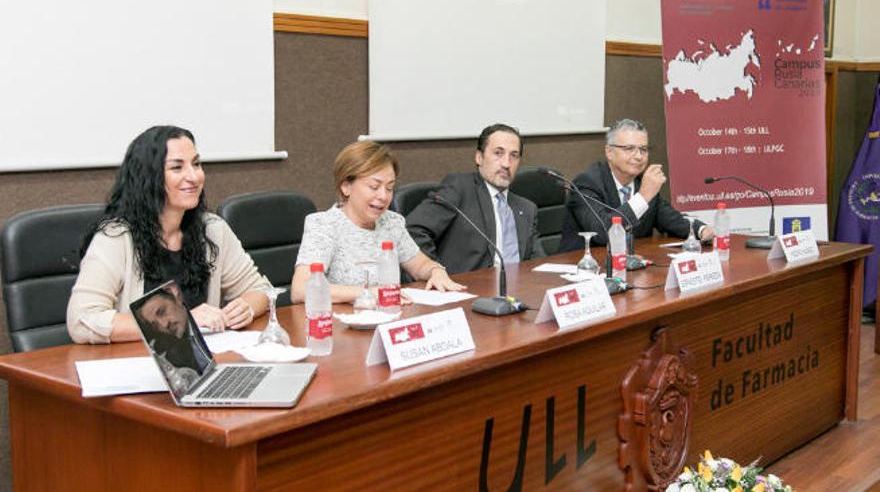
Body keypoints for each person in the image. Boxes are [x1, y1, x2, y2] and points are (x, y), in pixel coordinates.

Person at [67, 125, 270, 344]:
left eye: (196, 164)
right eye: (177, 167)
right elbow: (82, 320)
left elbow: (259, 290)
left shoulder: (212, 229)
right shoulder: (116, 237)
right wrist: (183, 321)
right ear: (149, 177)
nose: (193, 176)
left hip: (203, 363)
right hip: (135, 363)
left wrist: (247, 307)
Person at [290, 140, 465, 303]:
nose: (383, 196)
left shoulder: (391, 222)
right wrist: (370, 293)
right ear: (346, 186)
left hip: (389, 318)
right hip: (342, 326)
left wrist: (436, 271)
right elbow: (301, 289)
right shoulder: (324, 225)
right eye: (374, 187)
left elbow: (419, 265)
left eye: (389, 188)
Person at [405, 123, 546, 274]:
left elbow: (538, 262)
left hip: (517, 291)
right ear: (479, 157)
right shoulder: (459, 189)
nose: (506, 164)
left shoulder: (526, 208)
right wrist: (434, 272)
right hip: (467, 290)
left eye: (514, 156)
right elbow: (413, 230)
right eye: (498, 153)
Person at [558, 119, 714, 252]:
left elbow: (671, 219)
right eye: (629, 149)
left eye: (643, 149)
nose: (639, 156)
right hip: (584, 271)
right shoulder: (586, 183)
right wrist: (643, 196)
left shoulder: (641, 182)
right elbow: (602, 233)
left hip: (632, 266)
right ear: (609, 152)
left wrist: (702, 229)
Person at [133, 282, 211, 397]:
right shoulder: (174, 355)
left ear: (175, 295)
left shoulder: (198, 328)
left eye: (161, 311)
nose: (164, 324)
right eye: (155, 325)